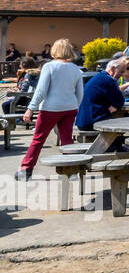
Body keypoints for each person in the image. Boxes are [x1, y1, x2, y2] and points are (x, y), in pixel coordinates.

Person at [16, 39, 83, 181]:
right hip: (69, 108)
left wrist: (30, 109)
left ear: (54, 51)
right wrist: (75, 106)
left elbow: (41, 91)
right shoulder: (76, 69)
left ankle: (26, 170)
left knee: (38, 139)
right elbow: (80, 93)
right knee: (67, 140)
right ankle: (71, 172)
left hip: (50, 108)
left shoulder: (49, 67)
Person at [76, 58, 126, 131]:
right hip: (93, 122)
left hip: (83, 121)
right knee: (121, 126)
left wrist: (114, 105)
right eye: (121, 72)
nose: (121, 75)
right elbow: (120, 101)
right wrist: (115, 105)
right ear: (113, 68)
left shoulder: (99, 77)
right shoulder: (108, 79)